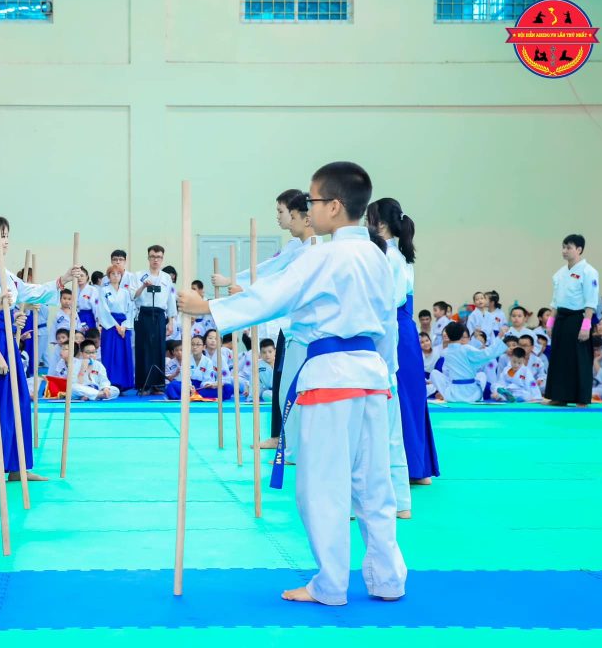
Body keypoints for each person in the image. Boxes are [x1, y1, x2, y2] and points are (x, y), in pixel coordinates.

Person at [177, 161, 406, 606]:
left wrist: (206, 308)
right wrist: (387, 372)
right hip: (372, 375)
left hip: (331, 379)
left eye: (313, 200)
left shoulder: (323, 255)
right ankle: (388, 579)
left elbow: (274, 296)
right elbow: (387, 323)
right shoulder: (377, 258)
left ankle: (332, 585)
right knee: (373, 485)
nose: (309, 207)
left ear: (334, 206)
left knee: (323, 486)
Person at [0, 213, 80, 483]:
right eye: (1, 236)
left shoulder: (3, 272)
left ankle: (16, 465)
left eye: (7, 235)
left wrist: (63, 279)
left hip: (7, 341)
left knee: (16, 402)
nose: (6, 241)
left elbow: (29, 292)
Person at [213, 189, 321, 453]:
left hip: (304, 331)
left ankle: (295, 444)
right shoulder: (295, 246)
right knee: (283, 384)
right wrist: (237, 282)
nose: (280, 217)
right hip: (289, 327)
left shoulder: (313, 251)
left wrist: (244, 289)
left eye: (282, 212)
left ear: (304, 217)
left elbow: (277, 284)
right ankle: (282, 437)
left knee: (296, 388)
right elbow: (266, 270)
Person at [368, 198, 431, 511]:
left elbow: (390, 301)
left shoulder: (389, 255)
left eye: (369, 220)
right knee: (409, 397)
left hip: (393, 328)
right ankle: (418, 467)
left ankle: (410, 468)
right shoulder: (401, 254)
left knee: (400, 397)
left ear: (380, 223)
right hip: (402, 329)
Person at [545, 234, 599, 407]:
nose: (564, 251)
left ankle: (582, 399)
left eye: (568, 247)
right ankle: (559, 396)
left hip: (578, 319)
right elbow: (555, 301)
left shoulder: (589, 272)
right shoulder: (559, 274)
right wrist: (550, 323)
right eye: (563, 247)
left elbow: (591, 302)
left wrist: (586, 326)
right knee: (559, 358)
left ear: (579, 250)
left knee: (580, 359)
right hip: (561, 318)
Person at [134, 245, 177, 395]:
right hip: (143, 314)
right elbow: (133, 296)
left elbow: (171, 300)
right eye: (153, 256)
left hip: (159, 315)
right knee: (144, 348)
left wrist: (171, 321)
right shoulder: (139, 275)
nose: (155, 260)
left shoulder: (166, 277)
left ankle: (157, 384)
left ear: (162, 259)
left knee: (159, 348)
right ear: (148, 258)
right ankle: (143, 384)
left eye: (158, 257)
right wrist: (143, 286)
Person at [430, 322, 508, 403]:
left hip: (453, 394)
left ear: (448, 336)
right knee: (481, 375)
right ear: (461, 335)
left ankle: (444, 395)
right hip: (471, 394)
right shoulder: (466, 349)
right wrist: (501, 340)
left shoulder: (445, 352)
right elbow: (486, 354)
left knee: (434, 373)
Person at [96, 264, 135, 391]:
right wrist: (116, 326)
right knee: (109, 353)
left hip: (124, 325)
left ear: (121, 276)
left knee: (123, 354)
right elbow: (103, 310)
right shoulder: (104, 291)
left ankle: (124, 384)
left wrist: (124, 326)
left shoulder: (125, 292)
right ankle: (109, 383)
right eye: (113, 274)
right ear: (109, 276)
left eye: (118, 274)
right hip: (110, 326)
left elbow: (130, 310)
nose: (115, 276)